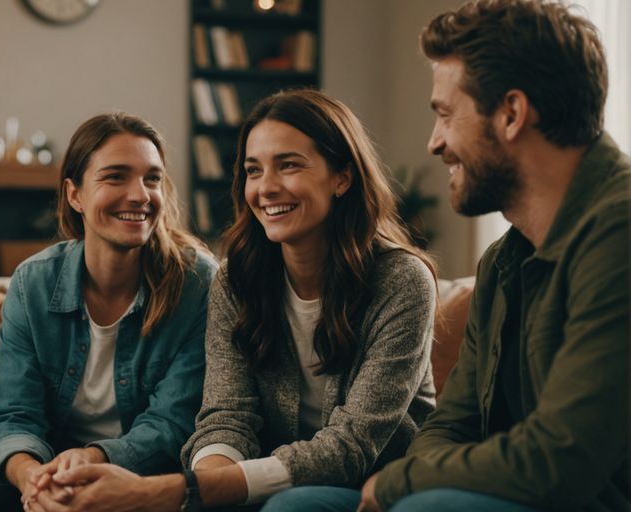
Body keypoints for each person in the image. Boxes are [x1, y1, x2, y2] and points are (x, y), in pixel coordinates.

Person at [25, 89, 439, 512]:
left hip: (375, 483)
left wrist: (174, 491)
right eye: (253, 171)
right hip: (263, 481)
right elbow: (226, 415)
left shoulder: (402, 281)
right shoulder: (236, 281)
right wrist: (206, 485)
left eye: (289, 165)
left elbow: (353, 445)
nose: (266, 188)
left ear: (342, 177)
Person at [357, 1, 629, 511]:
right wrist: (413, 479)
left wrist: (400, 484)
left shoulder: (619, 234)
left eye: (444, 114)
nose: (434, 142)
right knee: (304, 501)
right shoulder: (503, 260)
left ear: (511, 114)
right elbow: (453, 422)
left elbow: (560, 458)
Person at [0, 112, 216, 511]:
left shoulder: (197, 284)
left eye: (151, 178)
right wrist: (33, 478)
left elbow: (174, 423)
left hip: (144, 483)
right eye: (115, 176)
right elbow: (11, 415)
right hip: (52, 475)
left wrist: (92, 459)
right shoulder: (33, 284)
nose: (139, 195)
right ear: (74, 194)